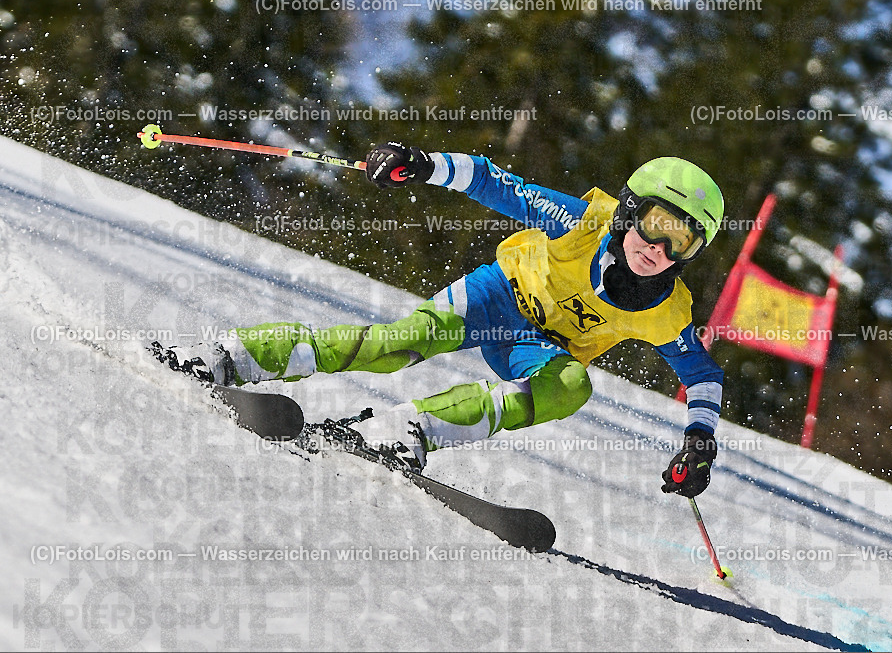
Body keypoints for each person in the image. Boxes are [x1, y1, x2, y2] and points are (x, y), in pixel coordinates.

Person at [152, 142, 725, 498]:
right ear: (629, 211)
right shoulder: (580, 223)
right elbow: (495, 182)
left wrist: (699, 440)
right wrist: (422, 164)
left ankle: (409, 429)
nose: (659, 248)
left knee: (571, 386)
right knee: (399, 345)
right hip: (495, 297)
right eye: (656, 223)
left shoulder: (666, 311)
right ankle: (237, 355)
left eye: (683, 240)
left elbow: (701, 374)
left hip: (535, 347)